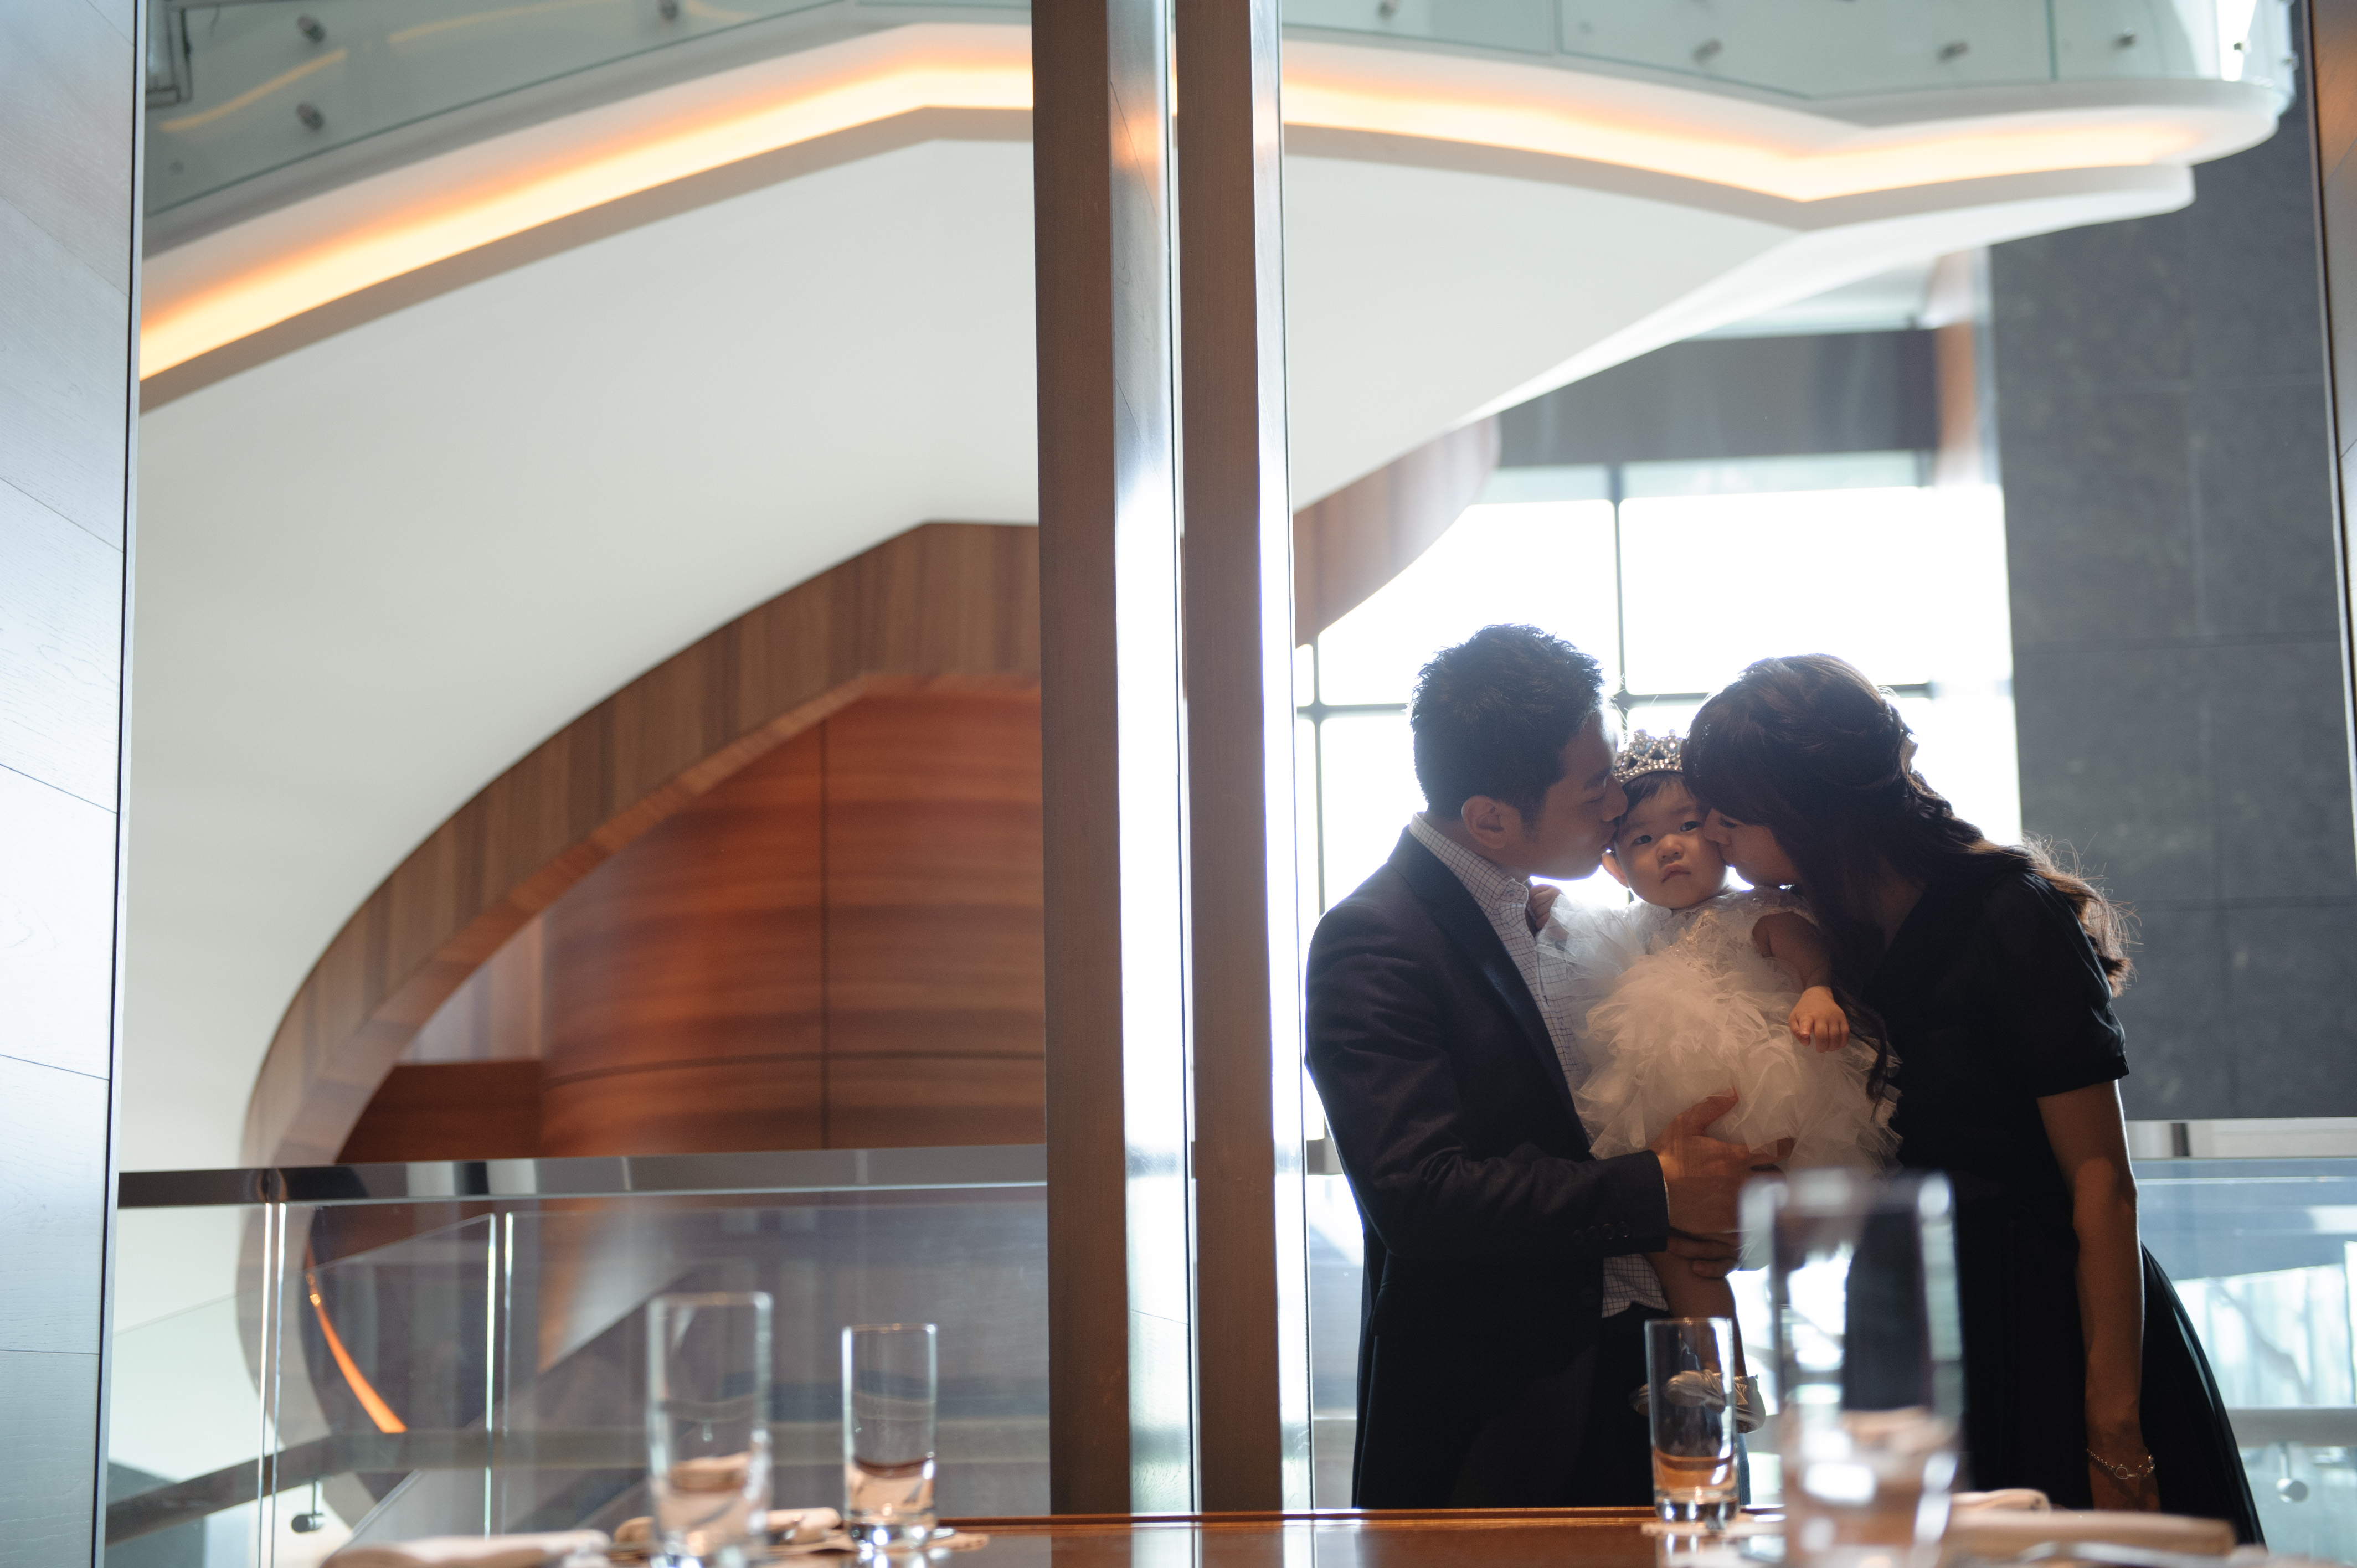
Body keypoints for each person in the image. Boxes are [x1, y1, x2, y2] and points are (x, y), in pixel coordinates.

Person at [1683, 654, 2262, 1541]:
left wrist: (2114, 1426)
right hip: (1903, 1313)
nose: (1717, 842)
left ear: (1809, 811)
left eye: (1730, 820)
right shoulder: (1821, 931)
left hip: (2043, 1315)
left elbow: (2102, 1184)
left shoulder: (2008, 914)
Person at [1305, 625, 1782, 1508]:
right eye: (1596, 788)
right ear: (1490, 818)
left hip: (1653, 1369)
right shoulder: (1375, 940)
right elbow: (1420, 1193)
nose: (1618, 805)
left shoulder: (1571, 918)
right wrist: (1663, 1188)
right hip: (1507, 1419)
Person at [1551, 729, 1897, 1337]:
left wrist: (1817, 990)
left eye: (1687, 826)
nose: (1669, 847)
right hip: (1669, 1116)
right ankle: (1715, 1372)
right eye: (1642, 839)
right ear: (1614, 866)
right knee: (1675, 1248)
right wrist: (1546, 906)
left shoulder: (1752, 907)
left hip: (1759, 1095)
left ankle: (1740, 1360)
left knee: (1709, 1236)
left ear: (1717, 835)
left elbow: (1803, 947)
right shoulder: (1629, 927)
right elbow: (1577, 942)